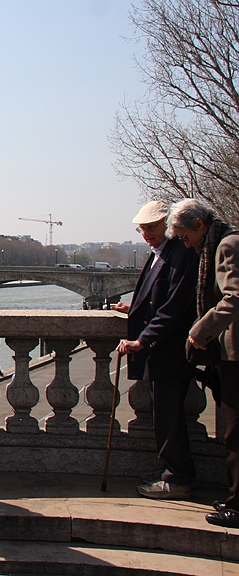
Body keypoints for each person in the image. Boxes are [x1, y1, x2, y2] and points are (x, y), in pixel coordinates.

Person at [112, 201, 198, 500]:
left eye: (151, 227)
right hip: (160, 349)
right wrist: (132, 308)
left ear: (168, 225)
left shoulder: (181, 254)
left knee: (169, 416)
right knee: (163, 414)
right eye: (142, 228)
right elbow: (157, 300)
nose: (145, 234)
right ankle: (170, 471)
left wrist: (143, 339)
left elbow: (174, 308)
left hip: (168, 350)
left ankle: (178, 477)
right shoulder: (163, 253)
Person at [165, 198, 239, 527]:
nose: (185, 243)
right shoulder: (226, 241)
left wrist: (200, 332)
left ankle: (238, 507)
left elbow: (234, 298)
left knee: (235, 429)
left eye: (184, 236)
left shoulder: (226, 246)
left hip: (236, 355)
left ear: (199, 225)